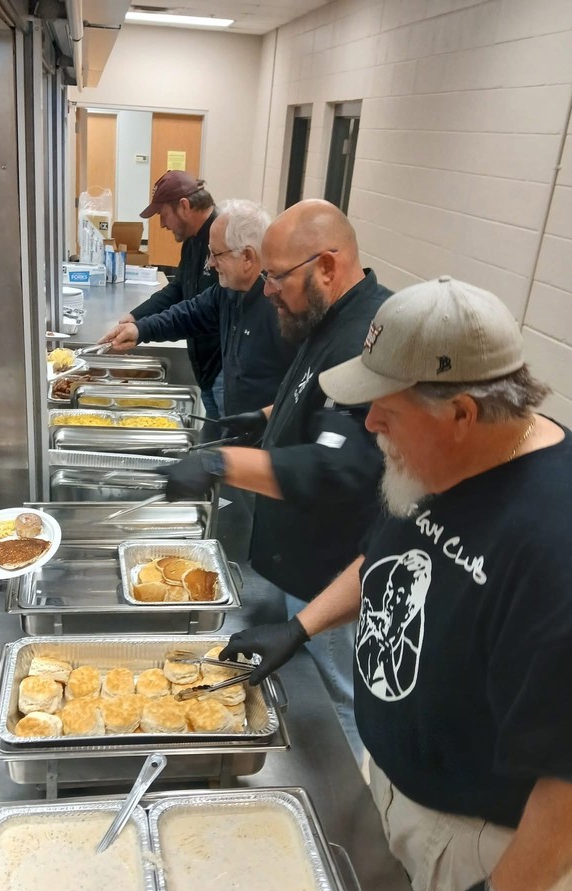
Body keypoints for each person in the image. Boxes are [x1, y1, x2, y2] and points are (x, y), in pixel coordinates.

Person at [220, 276, 572, 891]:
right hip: (401, 786)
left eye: (388, 404)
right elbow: (389, 558)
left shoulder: (554, 541)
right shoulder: (443, 462)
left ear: (464, 412)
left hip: (488, 841)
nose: (367, 419)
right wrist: (302, 626)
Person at [157, 199, 391, 760]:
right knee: (309, 690)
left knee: (339, 705)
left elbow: (341, 463)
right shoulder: (325, 317)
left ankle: (349, 813)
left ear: (327, 267)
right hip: (301, 559)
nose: (266, 289)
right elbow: (315, 402)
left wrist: (220, 464)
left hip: (336, 568)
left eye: (276, 275)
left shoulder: (370, 334)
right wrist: (262, 418)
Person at [99, 198, 295, 417]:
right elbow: (188, 314)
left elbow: (299, 394)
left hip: (262, 441)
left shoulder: (281, 308)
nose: (210, 263)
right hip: (235, 427)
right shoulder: (227, 291)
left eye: (217, 254)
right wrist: (139, 329)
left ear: (247, 257)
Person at [125, 170, 223, 417]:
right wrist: (135, 317)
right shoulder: (193, 240)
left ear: (184, 206)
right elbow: (178, 289)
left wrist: (144, 329)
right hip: (206, 369)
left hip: (223, 369)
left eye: (163, 214)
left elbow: (201, 312)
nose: (161, 224)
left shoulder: (221, 240)